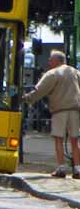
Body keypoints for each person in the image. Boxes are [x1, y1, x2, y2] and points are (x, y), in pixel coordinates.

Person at [23, 50, 80, 178]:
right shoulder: (75, 72)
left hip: (59, 110)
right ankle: (77, 169)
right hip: (75, 109)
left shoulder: (52, 74)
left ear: (56, 61)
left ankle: (61, 169)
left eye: (50, 59)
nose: (49, 62)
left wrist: (27, 98)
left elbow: (39, 90)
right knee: (74, 140)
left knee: (58, 139)